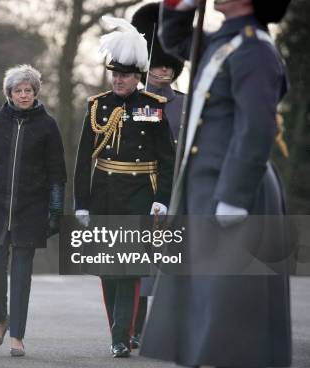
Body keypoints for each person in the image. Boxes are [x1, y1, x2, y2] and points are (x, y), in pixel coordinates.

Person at [140, 1, 292, 367]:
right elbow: (175, 39)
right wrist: (180, 5)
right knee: (198, 298)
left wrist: (234, 197)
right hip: (203, 185)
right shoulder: (226, 42)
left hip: (233, 190)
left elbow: (257, 126)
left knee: (230, 309)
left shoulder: (256, 50)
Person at [73, 17, 175, 358]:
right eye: (114, 74)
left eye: (125, 75)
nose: (118, 79)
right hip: (104, 192)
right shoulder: (97, 106)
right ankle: (118, 331)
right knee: (107, 268)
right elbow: (82, 159)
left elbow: (167, 159)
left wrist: (162, 198)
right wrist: (81, 203)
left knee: (128, 268)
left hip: (139, 193)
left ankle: (121, 336)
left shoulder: (153, 107)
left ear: (137, 77)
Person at [0, 64, 66, 357]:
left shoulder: (47, 125)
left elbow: (56, 173)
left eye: (28, 90)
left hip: (31, 209)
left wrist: (56, 209)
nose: (23, 95)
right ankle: (1, 319)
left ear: (35, 92)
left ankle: (18, 336)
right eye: (17, 91)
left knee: (22, 275)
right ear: (8, 93)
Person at [129, 1, 186, 349]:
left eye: (169, 66)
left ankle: (176, 327)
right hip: (147, 188)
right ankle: (136, 326)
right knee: (143, 265)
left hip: (182, 188)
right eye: (157, 65)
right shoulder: (136, 101)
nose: (163, 71)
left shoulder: (187, 101)